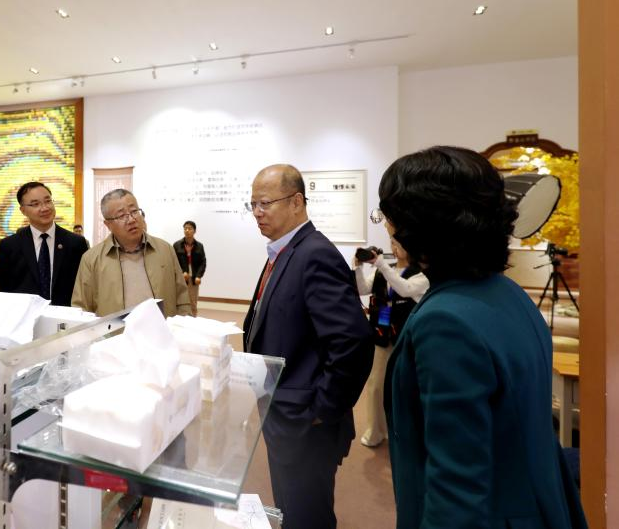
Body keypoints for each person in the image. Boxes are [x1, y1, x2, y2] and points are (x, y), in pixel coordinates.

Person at [380, 146, 587, 528]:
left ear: (418, 225)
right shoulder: (507, 293)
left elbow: (456, 488)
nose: (388, 229)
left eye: (389, 218)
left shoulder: (445, 322)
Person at [243, 164, 373, 529]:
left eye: (265, 203)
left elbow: (352, 342)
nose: (257, 212)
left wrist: (320, 410)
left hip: (305, 425)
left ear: (296, 202)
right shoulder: (285, 251)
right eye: (253, 204)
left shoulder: (314, 253)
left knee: (307, 517)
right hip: (284, 415)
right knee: (290, 511)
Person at [353, 238, 427, 448]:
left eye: (399, 244)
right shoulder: (384, 270)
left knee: (406, 386)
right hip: (381, 333)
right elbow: (362, 289)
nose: (394, 248)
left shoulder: (421, 275)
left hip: (406, 337)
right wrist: (357, 268)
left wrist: (381, 265)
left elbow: (404, 289)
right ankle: (375, 430)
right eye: (392, 243)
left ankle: (407, 431)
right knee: (375, 385)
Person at [72, 189, 190, 317]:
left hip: (162, 328)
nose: (132, 220)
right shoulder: (91, 259)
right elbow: (81, 309)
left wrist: (183, 326)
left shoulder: (165, 249)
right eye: (122, 216)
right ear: (108, 224)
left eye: (134, 211)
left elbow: (182, 299)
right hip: (115, 330)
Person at [0, 182, 88, 306]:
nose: (45, 208)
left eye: (48, 201)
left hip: (64, 314)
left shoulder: (75, 243)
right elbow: (5, 289)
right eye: (35, 204)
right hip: (25, 314)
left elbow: (83, 287)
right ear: (23, 210)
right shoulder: (9, 246)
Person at [172, 221, 206, 316]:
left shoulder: (199, 246)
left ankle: (193, 319)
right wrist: (182, 272)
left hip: (193, 279)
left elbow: (203, 263)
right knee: (179, 300)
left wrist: (199, 276)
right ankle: (180, 320)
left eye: (189, 228)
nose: (187, 230)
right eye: (185, 228)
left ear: (194, 231)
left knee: (193, 302)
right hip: (181, 278)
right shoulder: (177, 245)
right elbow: (174, 262)